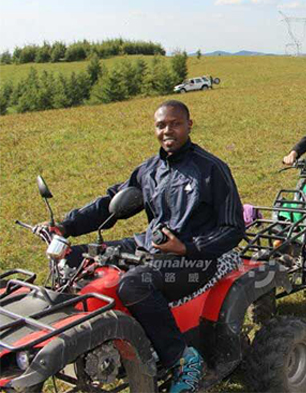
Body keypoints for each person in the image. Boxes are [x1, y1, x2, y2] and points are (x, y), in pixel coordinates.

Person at [35, 100, 246, 393]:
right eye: (161, 125)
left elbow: (233, 228)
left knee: (134, 284)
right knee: (73, 257)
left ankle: (184, 359)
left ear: (189, 125)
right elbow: (110, 204)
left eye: (175, 124)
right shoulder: (149, 170)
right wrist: (65, 227)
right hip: (150, 245)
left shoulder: (212, 170)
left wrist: (187, 247)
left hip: (195, 261)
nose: (168, 130)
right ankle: (77, 336)